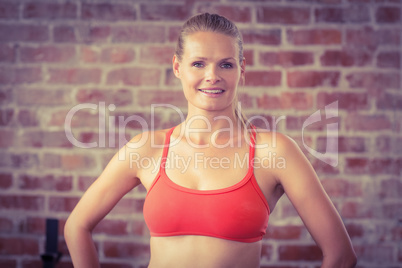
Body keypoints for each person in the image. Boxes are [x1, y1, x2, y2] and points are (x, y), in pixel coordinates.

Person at [64, 13, 357, 268]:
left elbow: (341, 256)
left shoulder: (274, 152)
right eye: (199, 64)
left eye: (226, 65)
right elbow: (77, 226)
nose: (212, 76)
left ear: (242, 69)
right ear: (178, 68)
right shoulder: (146, 149)